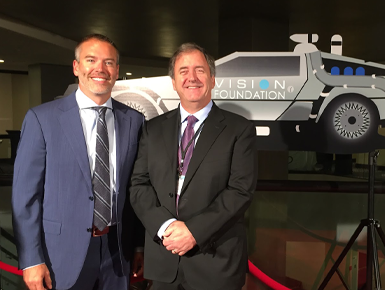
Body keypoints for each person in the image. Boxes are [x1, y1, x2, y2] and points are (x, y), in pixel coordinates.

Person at [12, 34, 144, 290]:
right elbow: (25, 196)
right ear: (76, 67)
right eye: (91, 60)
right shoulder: (42, 119)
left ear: (117, 71)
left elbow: (135, 188)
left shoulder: (134, 121)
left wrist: (139, 245)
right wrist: (30, 259)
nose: (100, 69)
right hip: (59, 256)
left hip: (118, 253)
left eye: (108, 62)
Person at [130, 43, 258, 290]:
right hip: (164, 259)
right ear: (174, 81)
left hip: (215, 263)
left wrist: (193, 232)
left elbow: (240, 191)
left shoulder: (239, 130)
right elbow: (138, 185)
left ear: (212, 79)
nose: (192, 78)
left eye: (200, 70)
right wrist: (166, 227)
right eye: (184, 71)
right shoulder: (152, 129)